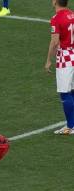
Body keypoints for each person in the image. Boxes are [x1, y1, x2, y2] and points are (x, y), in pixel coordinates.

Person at [45, 0, 74, 135]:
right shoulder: (72, 14)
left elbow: (55, 41)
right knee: (72, 90)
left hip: (65, 56)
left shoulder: (56, 18)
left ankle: (71, 126)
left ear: (55, 2)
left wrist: (48, 60)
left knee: (64, 92)